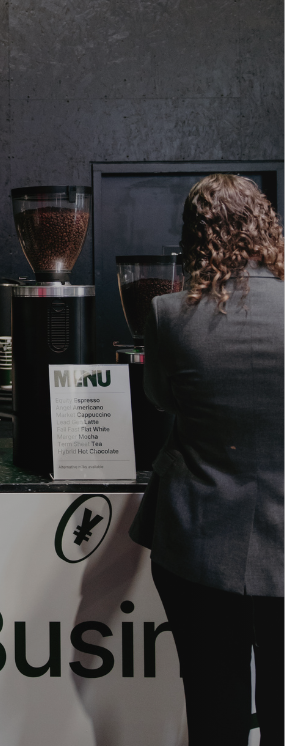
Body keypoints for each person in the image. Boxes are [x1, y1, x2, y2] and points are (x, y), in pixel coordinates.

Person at [130, 174, 283, 745]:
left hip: (198, 543)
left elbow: (161, 398)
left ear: (194, 237)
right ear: (267, 227)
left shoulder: (168, 314)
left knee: (213, 709)